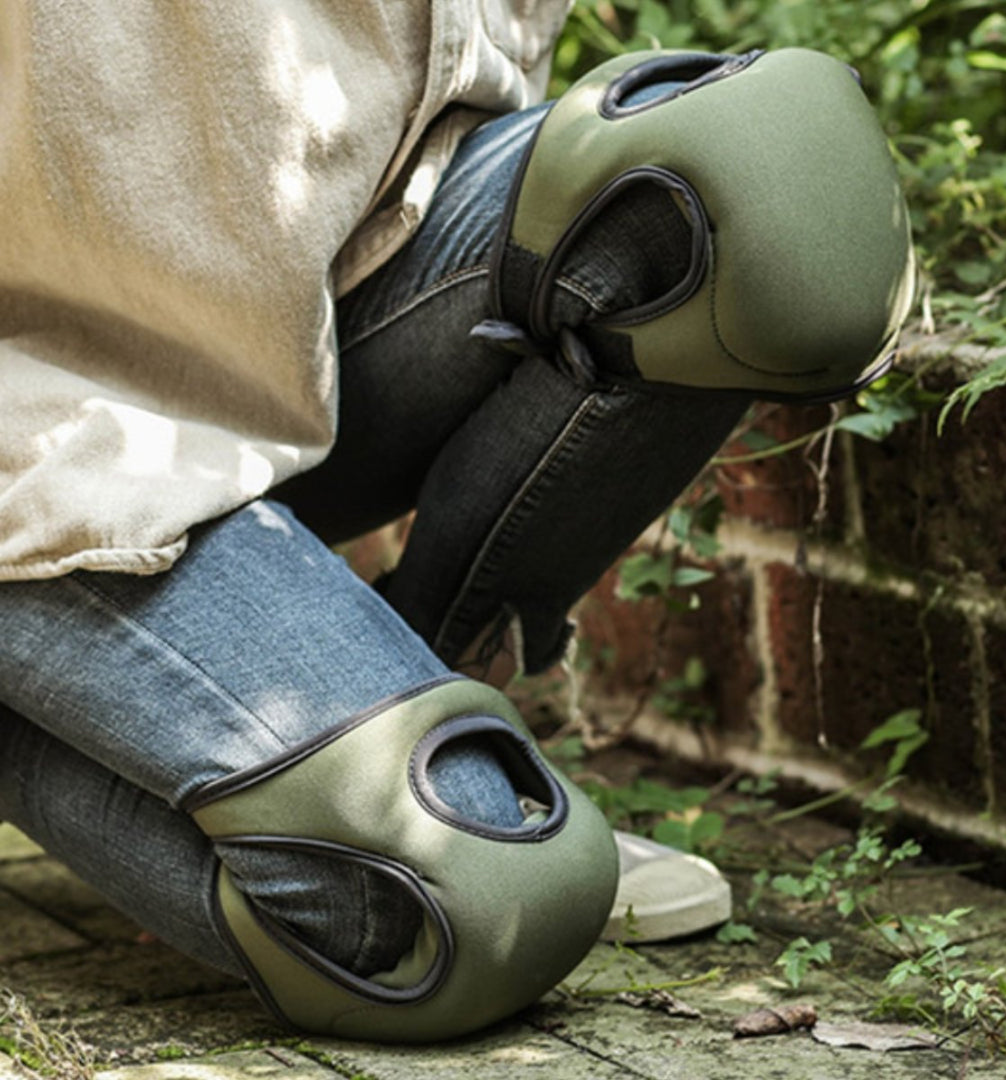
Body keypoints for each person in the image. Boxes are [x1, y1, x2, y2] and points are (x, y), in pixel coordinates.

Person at [0, 1, 914, 1043]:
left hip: (318, 286)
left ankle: (434, 718)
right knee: (446, 912)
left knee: (748, 177)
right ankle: (406, 799)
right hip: (44, 407)